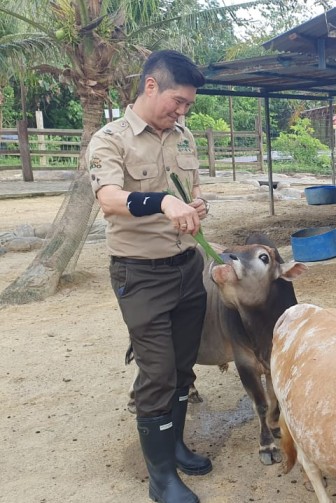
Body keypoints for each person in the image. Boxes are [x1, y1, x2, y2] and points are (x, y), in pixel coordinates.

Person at [87, 50, 209, 503]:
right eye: (177, 101)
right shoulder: (110, 139)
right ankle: (161, 479)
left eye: (188, 106)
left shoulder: (183, 136)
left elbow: (193, 192)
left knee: (181, 365)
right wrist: (162, 203)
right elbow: (111, 199)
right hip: (140, 274)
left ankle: (174, 445)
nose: (182, 111)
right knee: (156, 373)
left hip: (187, 268)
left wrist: (197, 206)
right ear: (151, 86)